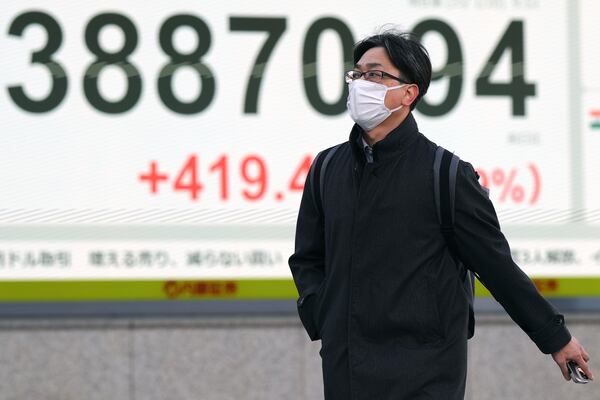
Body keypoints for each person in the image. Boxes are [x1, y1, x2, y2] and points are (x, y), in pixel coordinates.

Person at [288, 30, 594, 400]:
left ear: (408, 93)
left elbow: (496, 267)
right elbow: (307, 258)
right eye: (356, 74)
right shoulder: (326, 168)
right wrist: (325, 315)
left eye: (374, 74)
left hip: (426, 371)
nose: (359, 84)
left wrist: (555, 337)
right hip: (346, 368)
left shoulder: (446, 175)